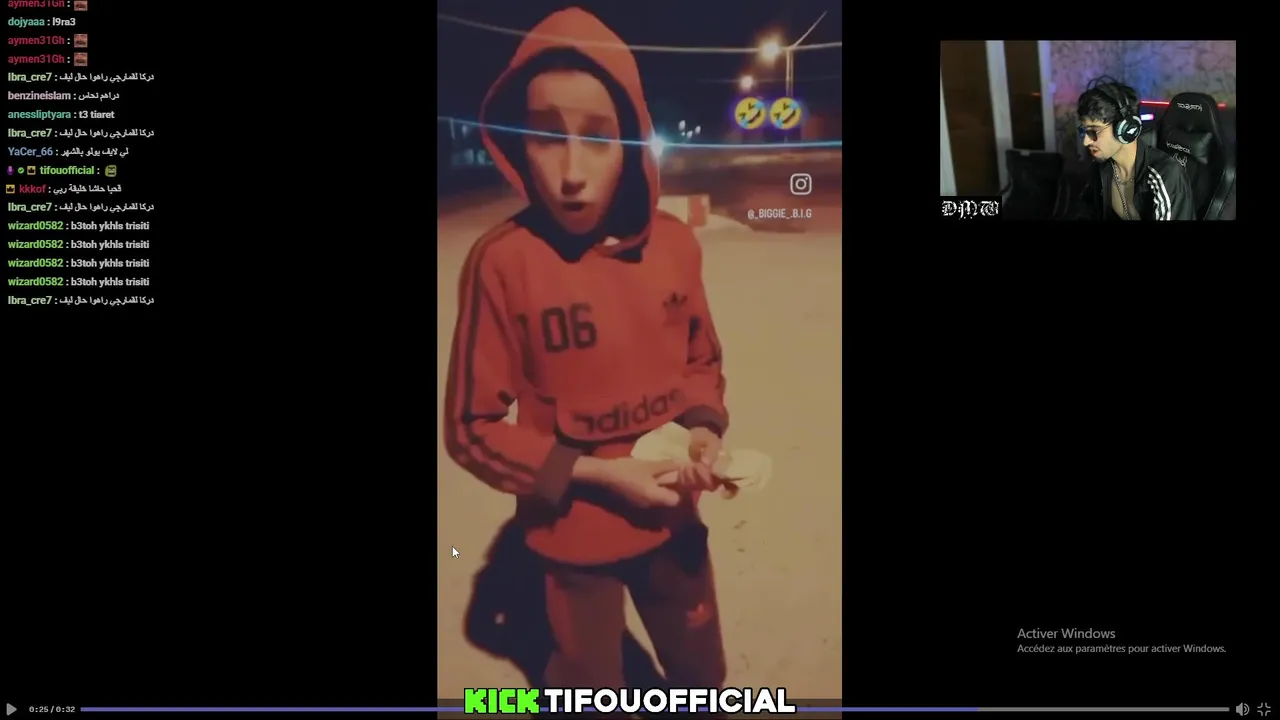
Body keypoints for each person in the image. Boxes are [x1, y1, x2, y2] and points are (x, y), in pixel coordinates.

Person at [443, 6, 729, 694]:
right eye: (548, 137)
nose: (572, 172)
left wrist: (702, 431)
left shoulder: (675, 246)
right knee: (589, 692)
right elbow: (471, 429)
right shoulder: (502, 263)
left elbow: (701, 362)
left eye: (598, 138)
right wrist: (596, 475)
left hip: (675, 529)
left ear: (631, 142)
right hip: (570, 548)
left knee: (703, 680)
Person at [1069, 77, 1195, 220]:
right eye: (1084, 131)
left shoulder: (1165, 174)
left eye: (1094, 131)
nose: (1086, 141)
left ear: (1125, 128)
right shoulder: (1101, 169)